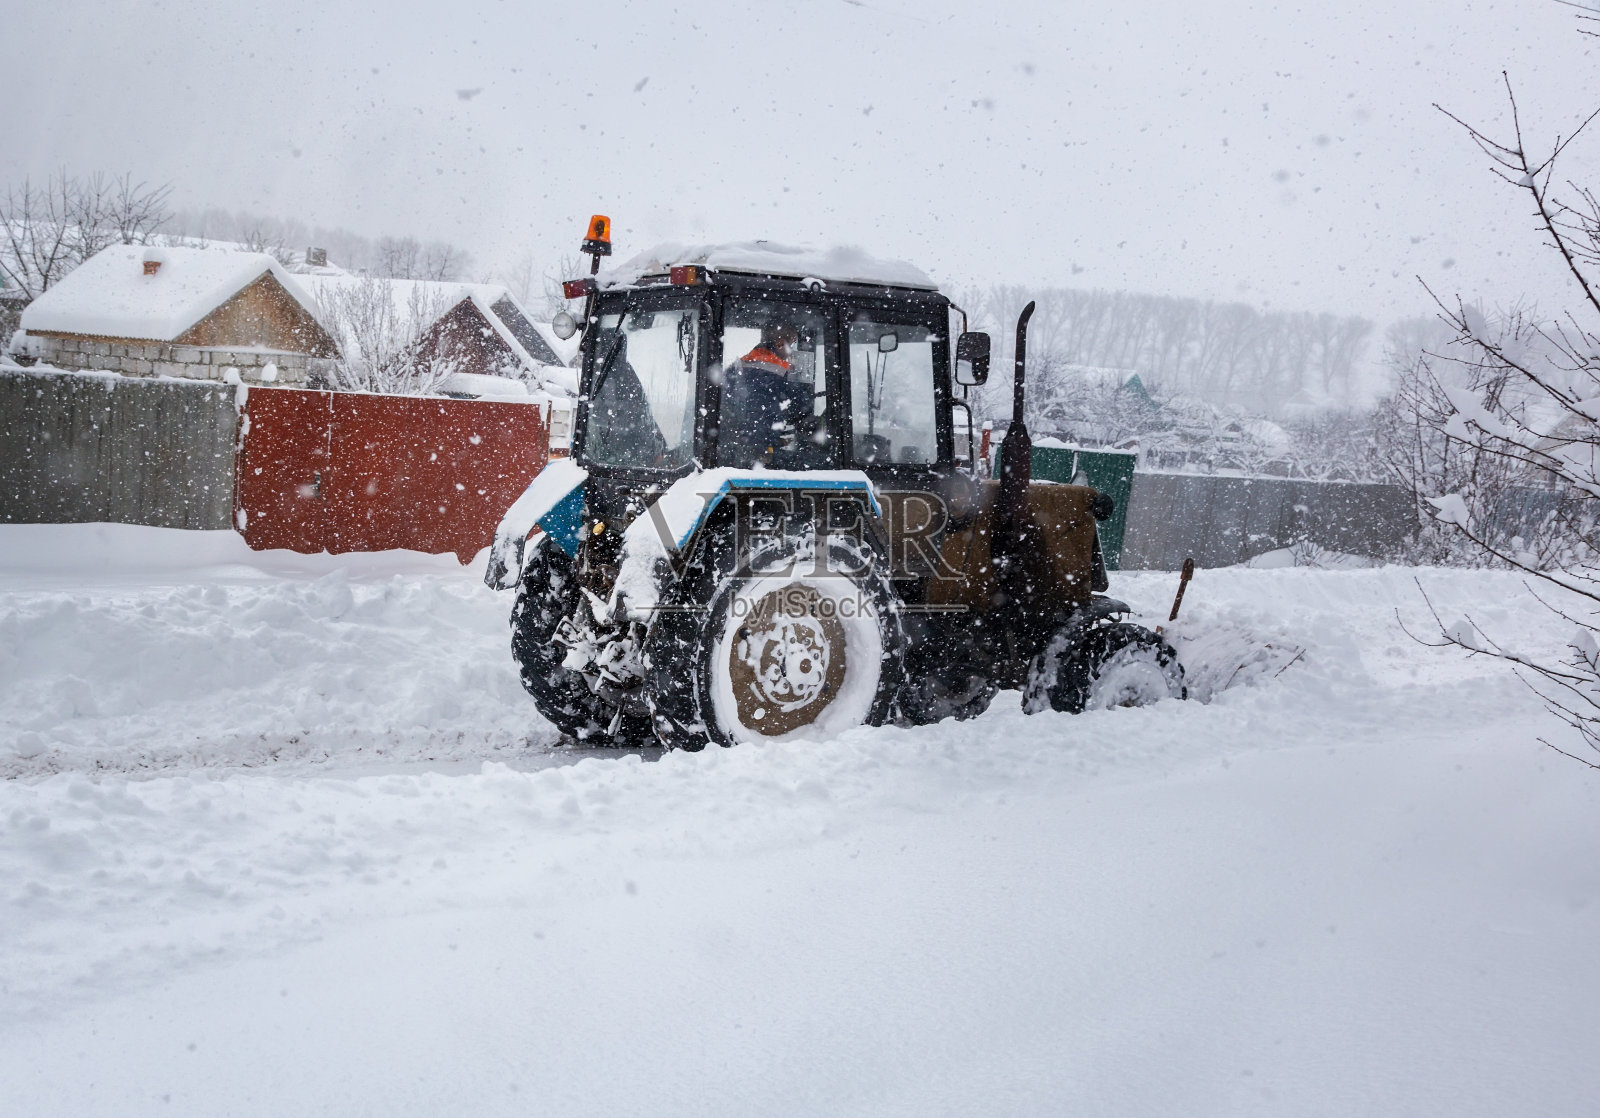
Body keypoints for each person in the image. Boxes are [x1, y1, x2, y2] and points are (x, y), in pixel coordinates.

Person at [720, 322, 815, 467]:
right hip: (765, 449)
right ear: (779, 345)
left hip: (733, 447)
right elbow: (802, 408)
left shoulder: (736, 367)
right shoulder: (782, 373)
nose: (792, 352)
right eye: (793, 345)